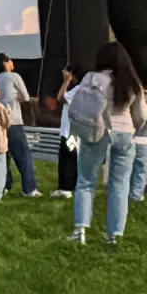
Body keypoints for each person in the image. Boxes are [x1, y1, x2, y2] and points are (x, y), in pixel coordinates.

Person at [68, 42, 146, 245]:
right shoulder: (132, 82)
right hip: (126, 134)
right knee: (119, 185)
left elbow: (81, 106)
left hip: (99, 131)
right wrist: (132, 128)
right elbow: (141, 115)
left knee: (86, 181)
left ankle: (80, 230)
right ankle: (114, 235)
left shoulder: (93, 78)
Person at [0, 53, 41, 197]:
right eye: (9, 60)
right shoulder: (14, 76)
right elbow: (25, 97)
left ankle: (4, 186)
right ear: (5, 63)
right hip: (13, 121)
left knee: (3, 155)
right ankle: (30, 189)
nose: (12, 62)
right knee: (23, 156)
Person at [52, 63, 86, 199]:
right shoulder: (83, 89)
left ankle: (66, 187)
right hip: (75, 130)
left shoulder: (77, 89)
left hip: (70, 131)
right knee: (72, 157)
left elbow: (60, 98)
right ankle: (70, 185)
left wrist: (66, 81)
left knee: (67, 158)